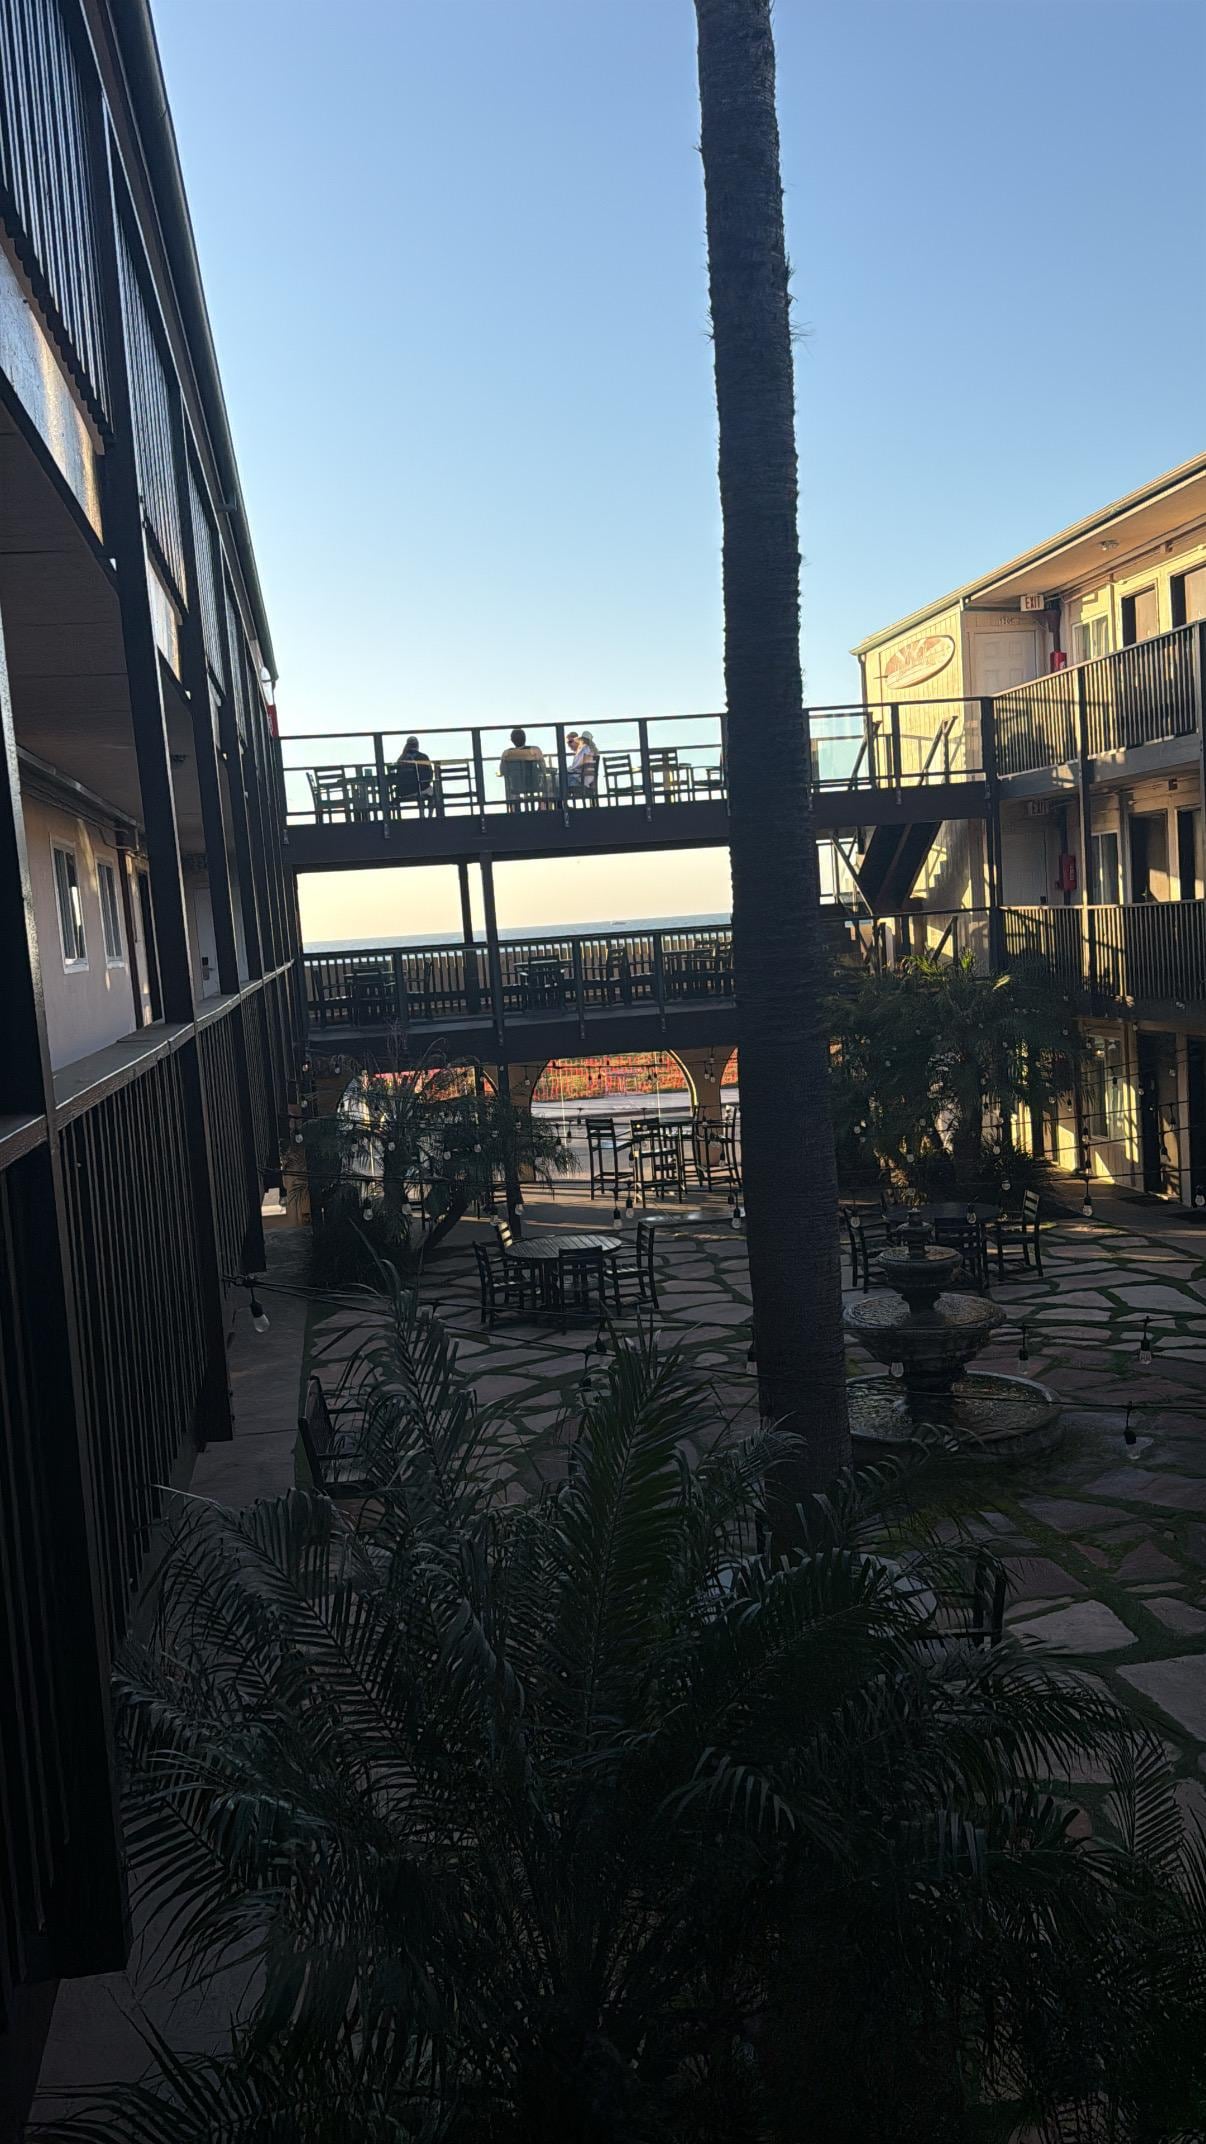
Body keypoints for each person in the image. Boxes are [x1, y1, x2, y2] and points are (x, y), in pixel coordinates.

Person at [498, 727, 546, 810]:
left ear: (512, 740)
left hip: (515, 785)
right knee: (549, 783)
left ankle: (514, 808)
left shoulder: (506, 753)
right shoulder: (535, 750)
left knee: (510, 786)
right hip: (534, 783)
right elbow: (543, 768)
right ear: (525, 738)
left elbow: (503, 771)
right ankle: (543, 807)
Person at [394, 736, 433, 811]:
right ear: (417, 745)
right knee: (433, 792)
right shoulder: (423, 757)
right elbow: (430, 775)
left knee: (422, 786)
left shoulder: (401, 759)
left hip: (402, 791)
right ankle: (429, 815)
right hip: (418, 789)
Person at [569, 729, 598, 797]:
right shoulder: (593, 751)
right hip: (590, 779)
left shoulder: (584, 750)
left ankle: (562, 801)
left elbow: (576, 766)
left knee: (561, 780)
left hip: (581, 780)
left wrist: (569, 769)